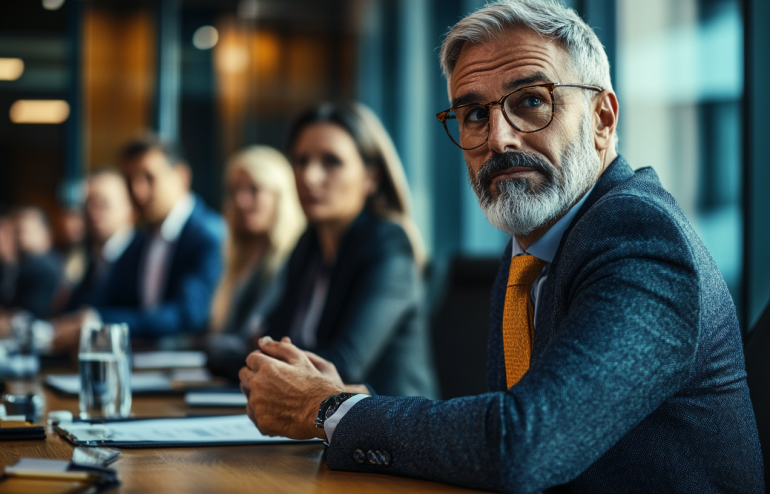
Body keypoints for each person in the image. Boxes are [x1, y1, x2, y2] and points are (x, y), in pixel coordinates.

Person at [237, 1, 764, 492]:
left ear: (603, 119)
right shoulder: (530, 251)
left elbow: (524, 443)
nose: (498, 138)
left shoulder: (639, 235)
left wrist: (329, 409)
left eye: (531, 102)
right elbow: (507, 429)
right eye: (473, 114)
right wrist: (349, 406)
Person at [257, 102, 437, 398]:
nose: (309, 176)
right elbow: (273, 340)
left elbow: (342, 365)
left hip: (391, 431)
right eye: (301, 161)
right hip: (320, 423)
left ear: (372, 177)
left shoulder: (389, 247)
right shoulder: (308, 244)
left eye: (331, 161)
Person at [52, 134, 224, 351]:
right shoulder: (142, 239)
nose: (137, 191)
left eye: (149, 177)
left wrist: (99, 320)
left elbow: (187, 315)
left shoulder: (208, 234)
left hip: (191, 370)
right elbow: (105, 298)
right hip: (144, 365)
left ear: (182, 176)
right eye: (130, 180)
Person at [206, 146, 305, 380]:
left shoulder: (295, 260)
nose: (240, 200)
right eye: (234, 191)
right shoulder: (240, 258)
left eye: (254, 189)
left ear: (281, 195)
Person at [64, 170, 135, 310]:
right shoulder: (92, 256)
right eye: (87, 204)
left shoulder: (142, 256)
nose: (92, 211)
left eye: (102, 203)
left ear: (129, 207)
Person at [6, 207, 62, 319]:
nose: (20, 238)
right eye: (16, 232)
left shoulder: (45, 268)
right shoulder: (23, 265)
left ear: (45, 234)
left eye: (25, 231)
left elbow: (30, 315)